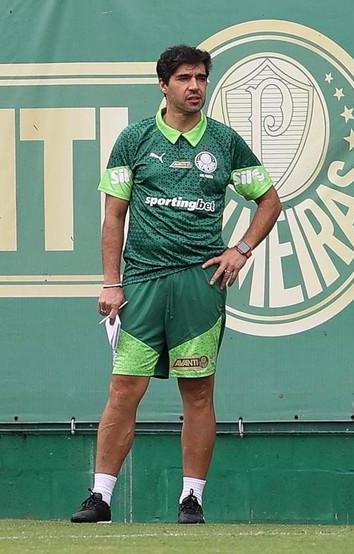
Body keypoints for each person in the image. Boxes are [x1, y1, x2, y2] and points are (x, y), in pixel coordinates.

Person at [71, 44, 281, 524]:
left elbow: (269, 202)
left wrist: (241, 249)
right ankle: (100, 497)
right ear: (163, 85)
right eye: (185, 79)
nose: (195, 88)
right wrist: (111, 282)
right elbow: (113, 215)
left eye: (202, 79)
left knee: (198, 390)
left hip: (199, 284)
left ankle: (192, 499)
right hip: (142, 282)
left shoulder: (225, 142)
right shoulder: (134, 139)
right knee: (125, 388)